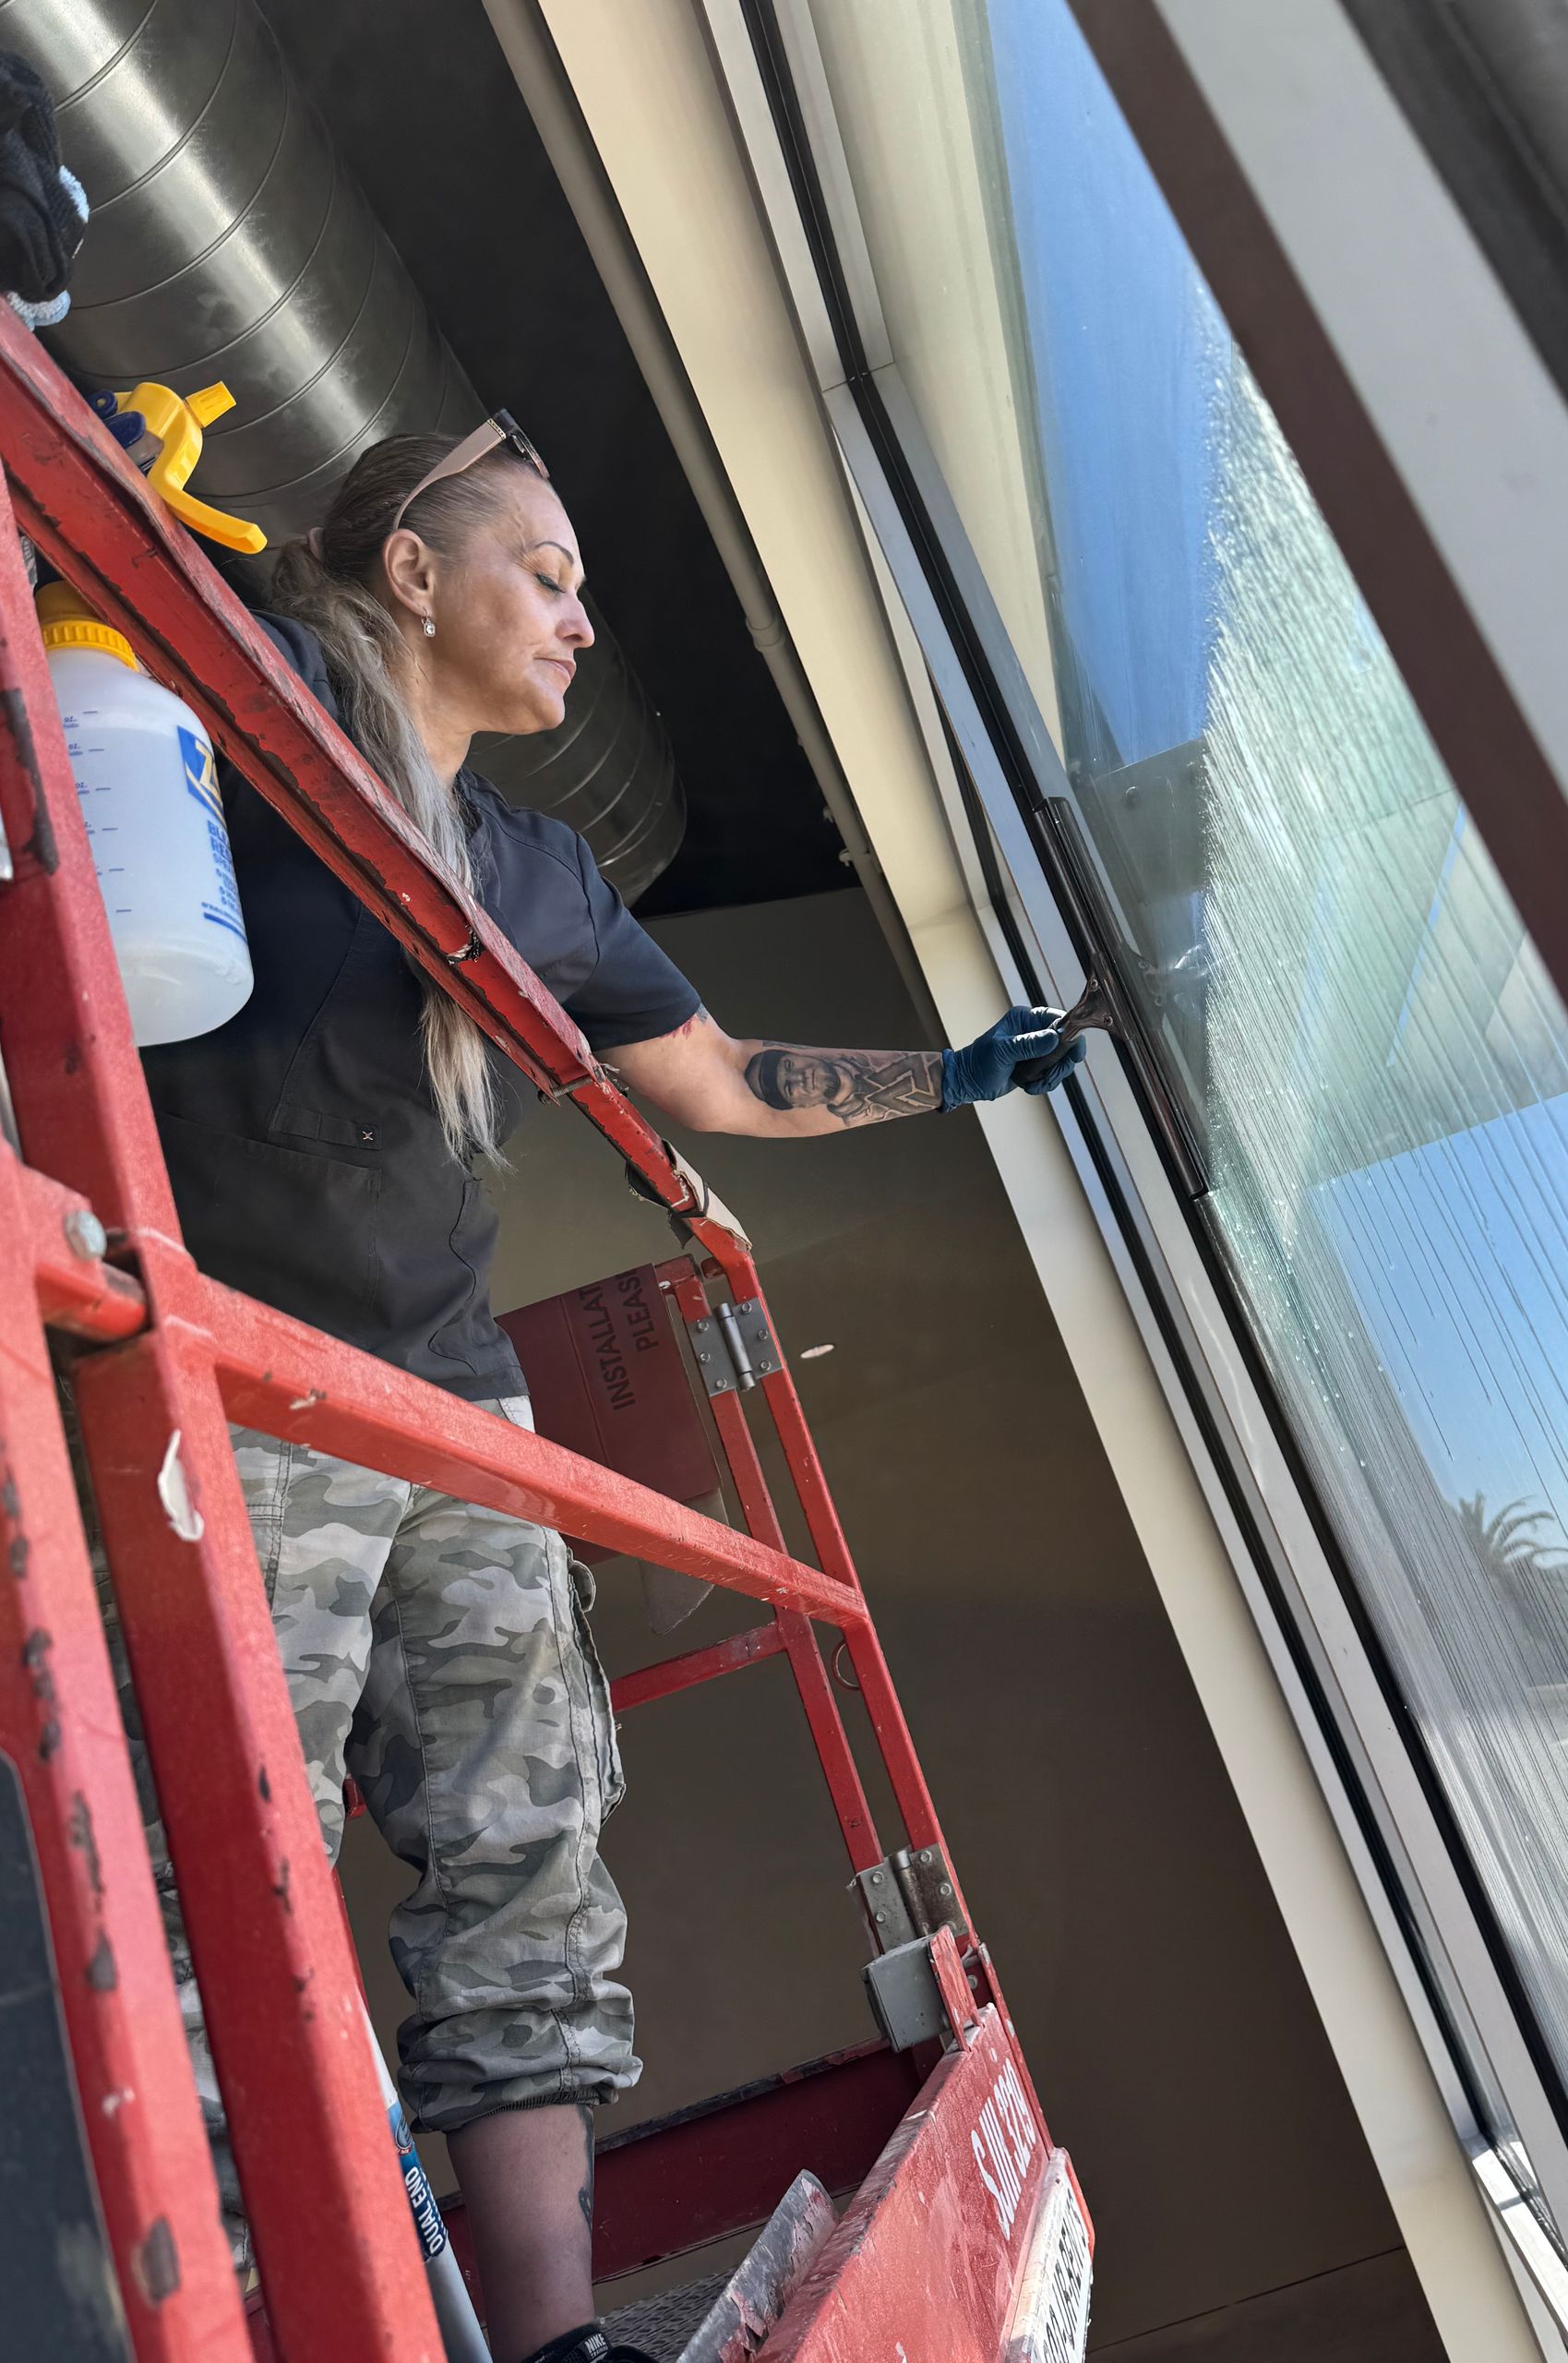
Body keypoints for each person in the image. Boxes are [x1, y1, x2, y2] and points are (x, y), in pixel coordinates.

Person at [139, 412, 1083, 2363]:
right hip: (233, 1373)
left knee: (528, 1843)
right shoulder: (231, 690)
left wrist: (951, 1077)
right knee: (226, 1842)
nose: (582, 618)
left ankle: (552, 2342)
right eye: (544, 573)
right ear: (413, 574)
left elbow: (723, 1084)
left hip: (456, 1411)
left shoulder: (538, 869)